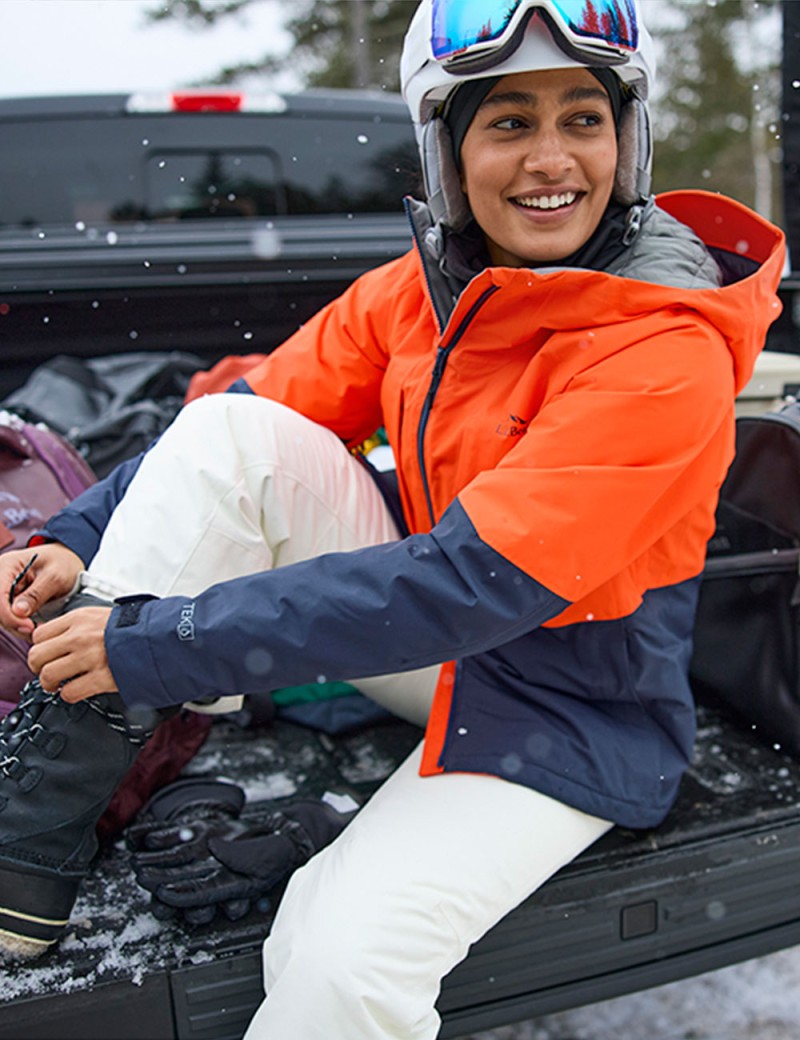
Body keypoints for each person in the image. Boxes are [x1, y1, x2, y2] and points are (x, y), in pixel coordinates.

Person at [0, 0, 786, 1036]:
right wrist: (74, 538)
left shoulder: (659, 347)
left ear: (625, 139)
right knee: (231, 434)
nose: (551, 158)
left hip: (567, 711)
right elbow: (247, 415)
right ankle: (36, 835)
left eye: (580, 119)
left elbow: (470, 581)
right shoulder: (421, 290)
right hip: (433, 652)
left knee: (333, 963)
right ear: (446, 146)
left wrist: (152, 642)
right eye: (507, 122)